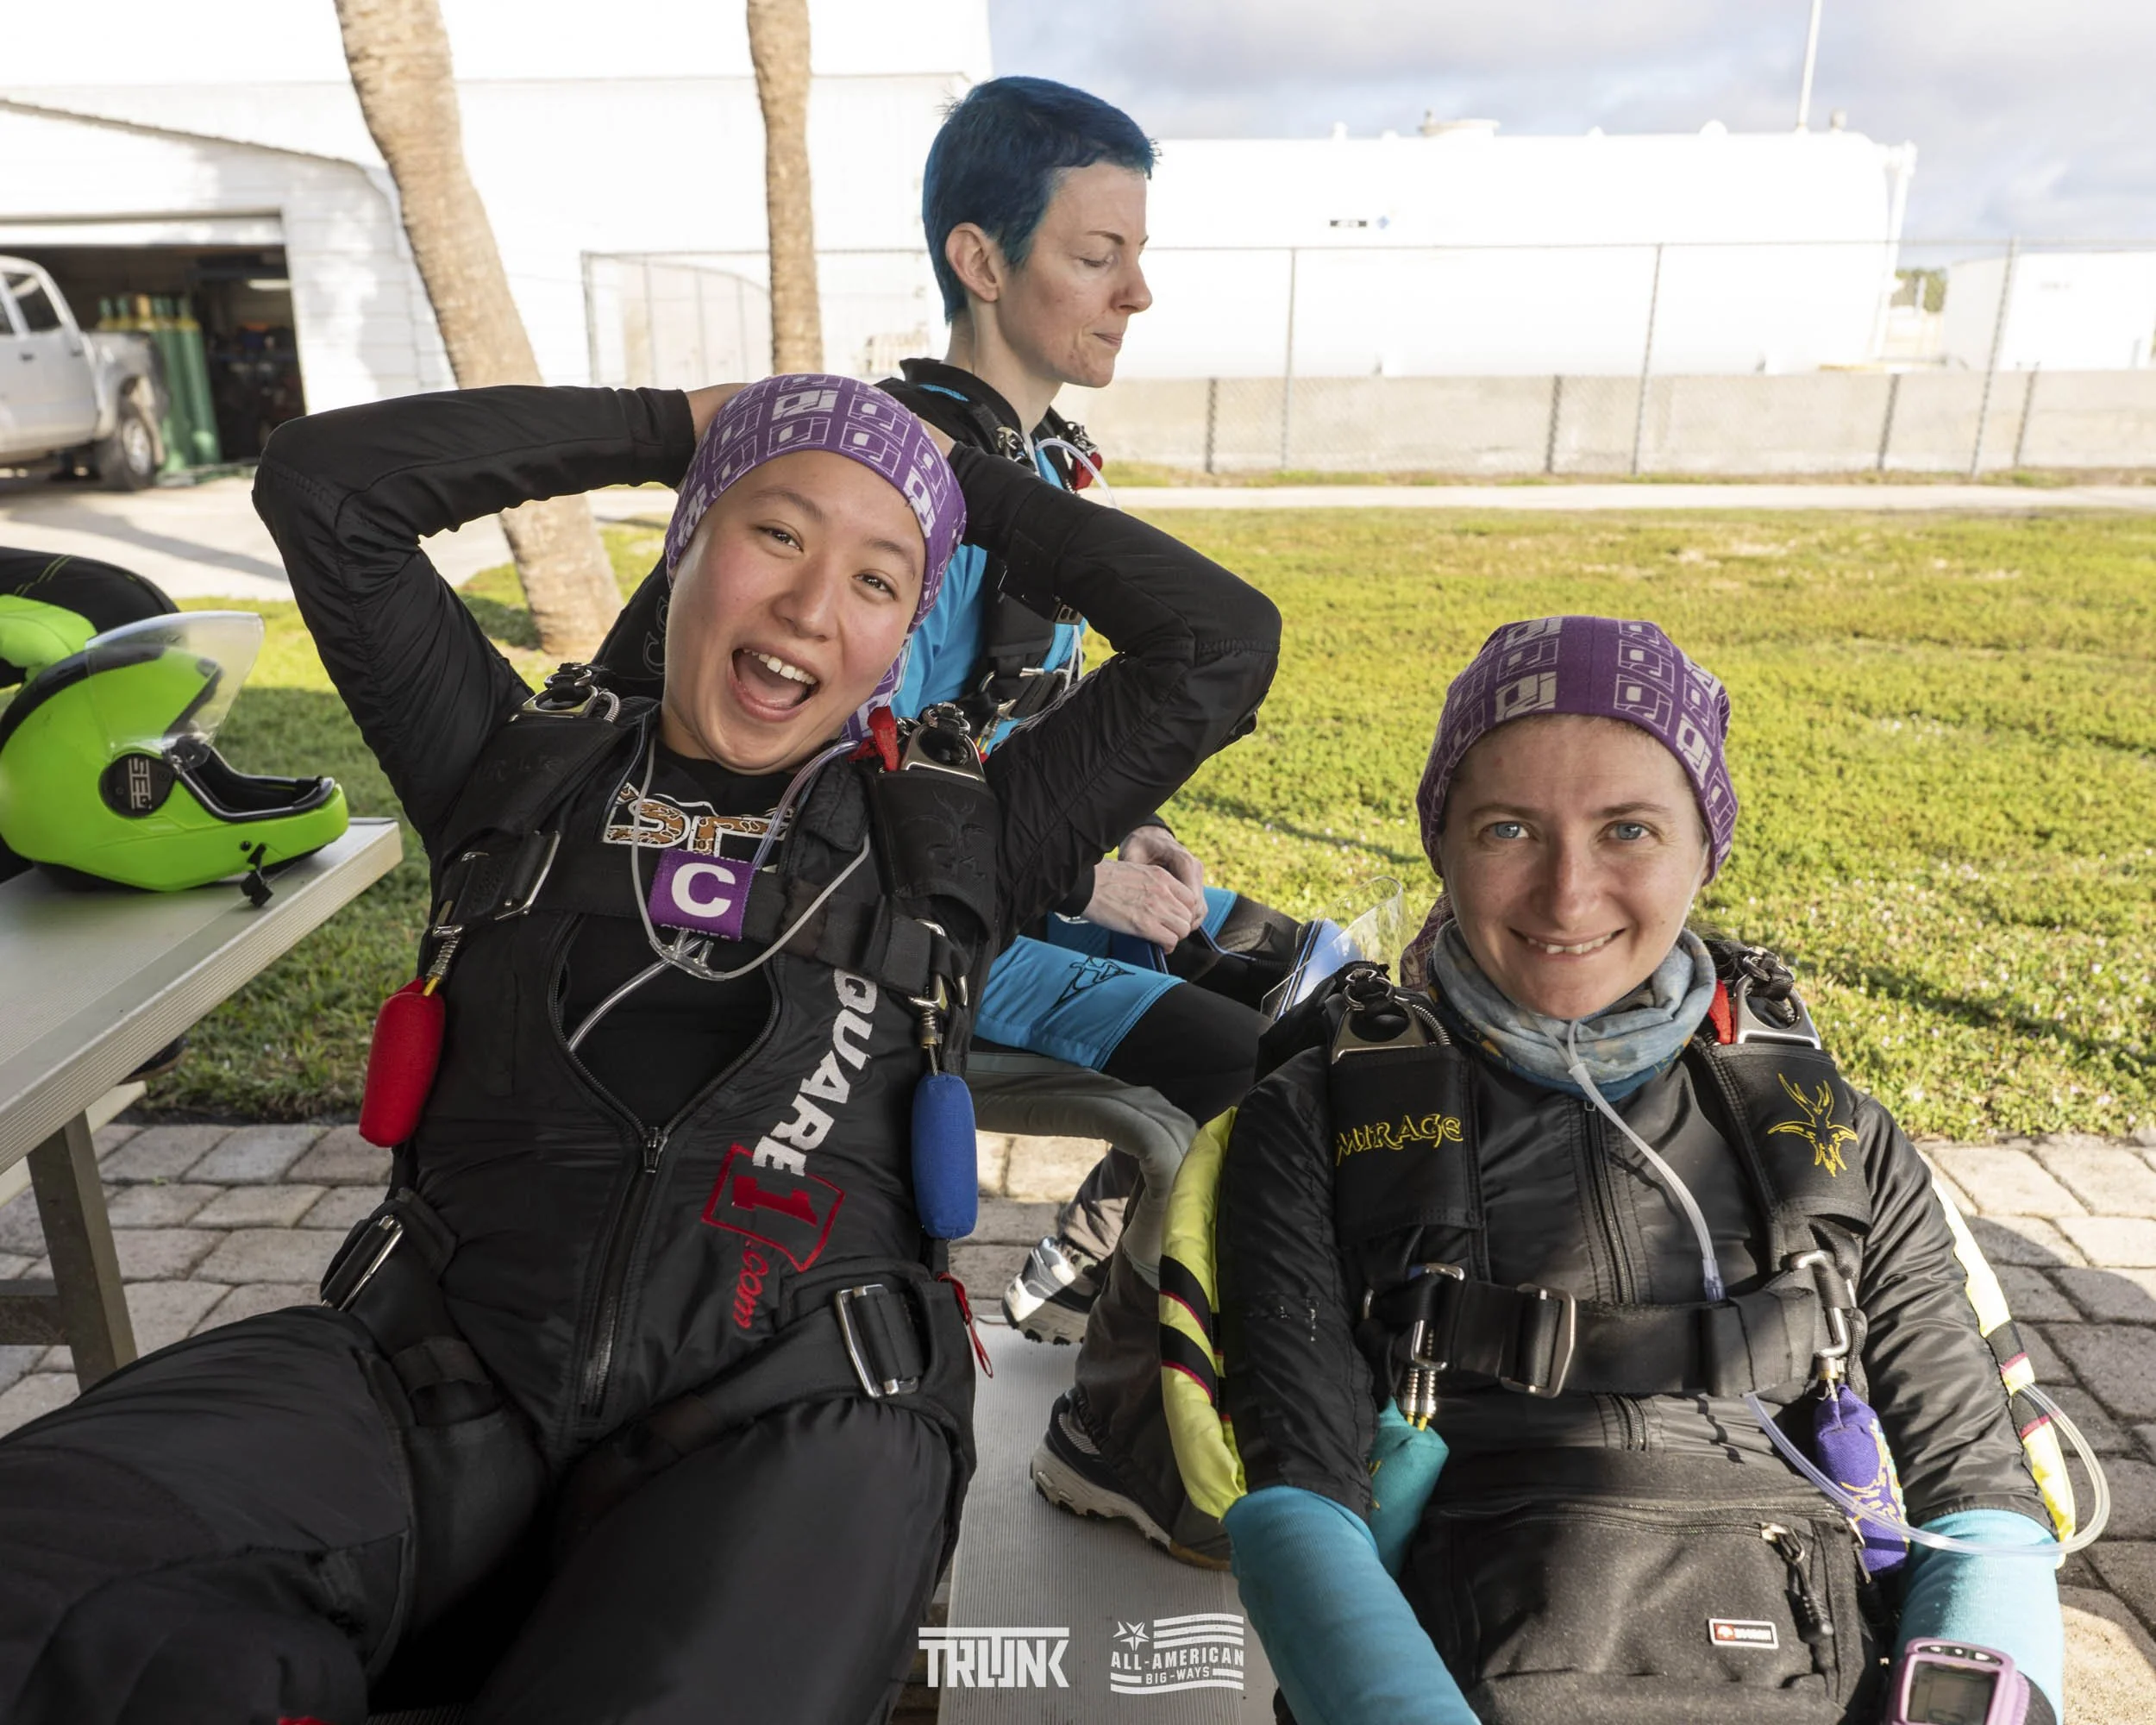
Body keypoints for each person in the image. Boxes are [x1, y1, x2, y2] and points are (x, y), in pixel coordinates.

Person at [0, 373, 1278, 1725]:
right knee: (53, 1582)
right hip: (434, 1364)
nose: (807, 606)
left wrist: (952, 479)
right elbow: (328, 488)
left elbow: (1219, 642)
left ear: (903, 636)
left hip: (799, 1397)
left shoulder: (962, 838)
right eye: (776, 533)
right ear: (685, 546)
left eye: (876, 578)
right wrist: (673, 422)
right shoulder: (507, 761)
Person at [598, 77, 1300, 1566]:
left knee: (1308, 986)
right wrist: (1069, 877)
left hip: (997, 891)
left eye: (1137, 252)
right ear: (982, 261)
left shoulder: (1021, 464)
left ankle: (1083, 1288)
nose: (1138, 290)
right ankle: (1121, 1425)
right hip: (853, 942)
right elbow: (822, 781)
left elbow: (992, 729)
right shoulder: (905, 483)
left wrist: (1123, 840)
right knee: (1252, 1068)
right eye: (1099, 254)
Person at [1196, 616, 2064, 1725]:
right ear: (1442, 844)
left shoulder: (1824, 1128)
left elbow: (1978, 1501)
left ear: (1706, 848)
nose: (1568, 896)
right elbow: (1298, 1502)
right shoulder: (1317, 1116)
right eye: (1508, 827)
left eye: (1628, 830)